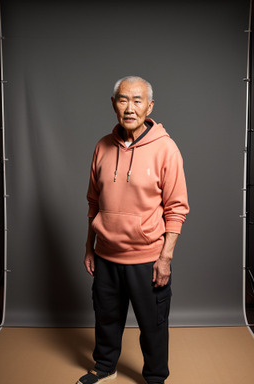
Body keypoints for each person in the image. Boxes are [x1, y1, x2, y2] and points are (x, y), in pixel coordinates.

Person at [77, 76, 189, 384]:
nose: (130, 107)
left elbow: (176, 208)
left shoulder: (166, 149)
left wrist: (165, 258)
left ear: (149, 106)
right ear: (113, 104)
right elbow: (93, 202)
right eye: (123, 99)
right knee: (106, 318)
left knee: (153, 324)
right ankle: (104, 367)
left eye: (137, 100)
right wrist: (90, 246)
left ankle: (155, 377)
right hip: (106, 255)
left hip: (147, 258)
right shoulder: (102, 147)